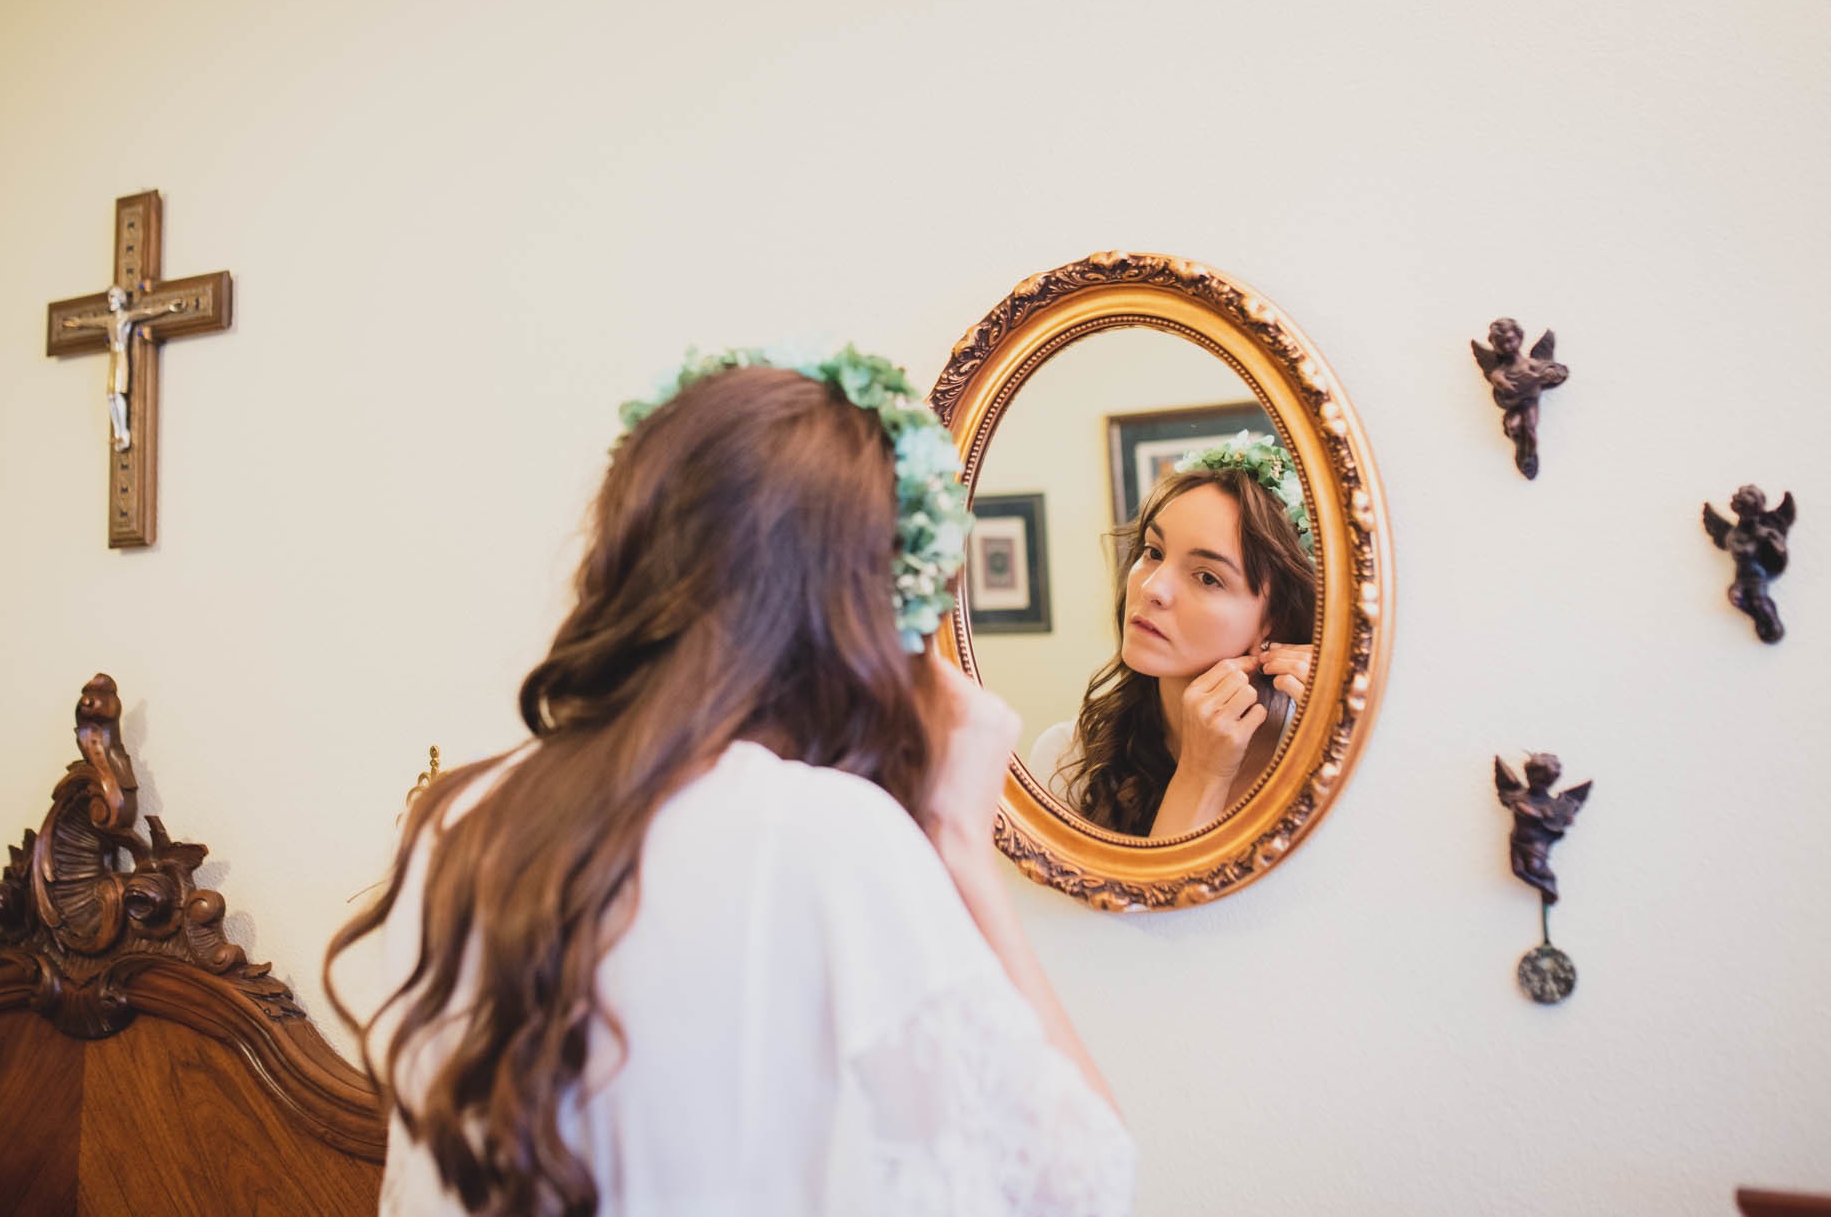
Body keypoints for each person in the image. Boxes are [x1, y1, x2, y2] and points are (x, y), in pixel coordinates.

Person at [326, 346, 1134, 1216]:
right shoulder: (827, 837)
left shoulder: (462, 821)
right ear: (852, 611)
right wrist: (961, 840)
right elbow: (1079, 1186)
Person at [1028, 433, 1316, 839]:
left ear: (1277, 623)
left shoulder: (1323, 758)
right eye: (1153, 552)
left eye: (1207, 577)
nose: (1151, 590)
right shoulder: (1067, 759)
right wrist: (1202, 774)